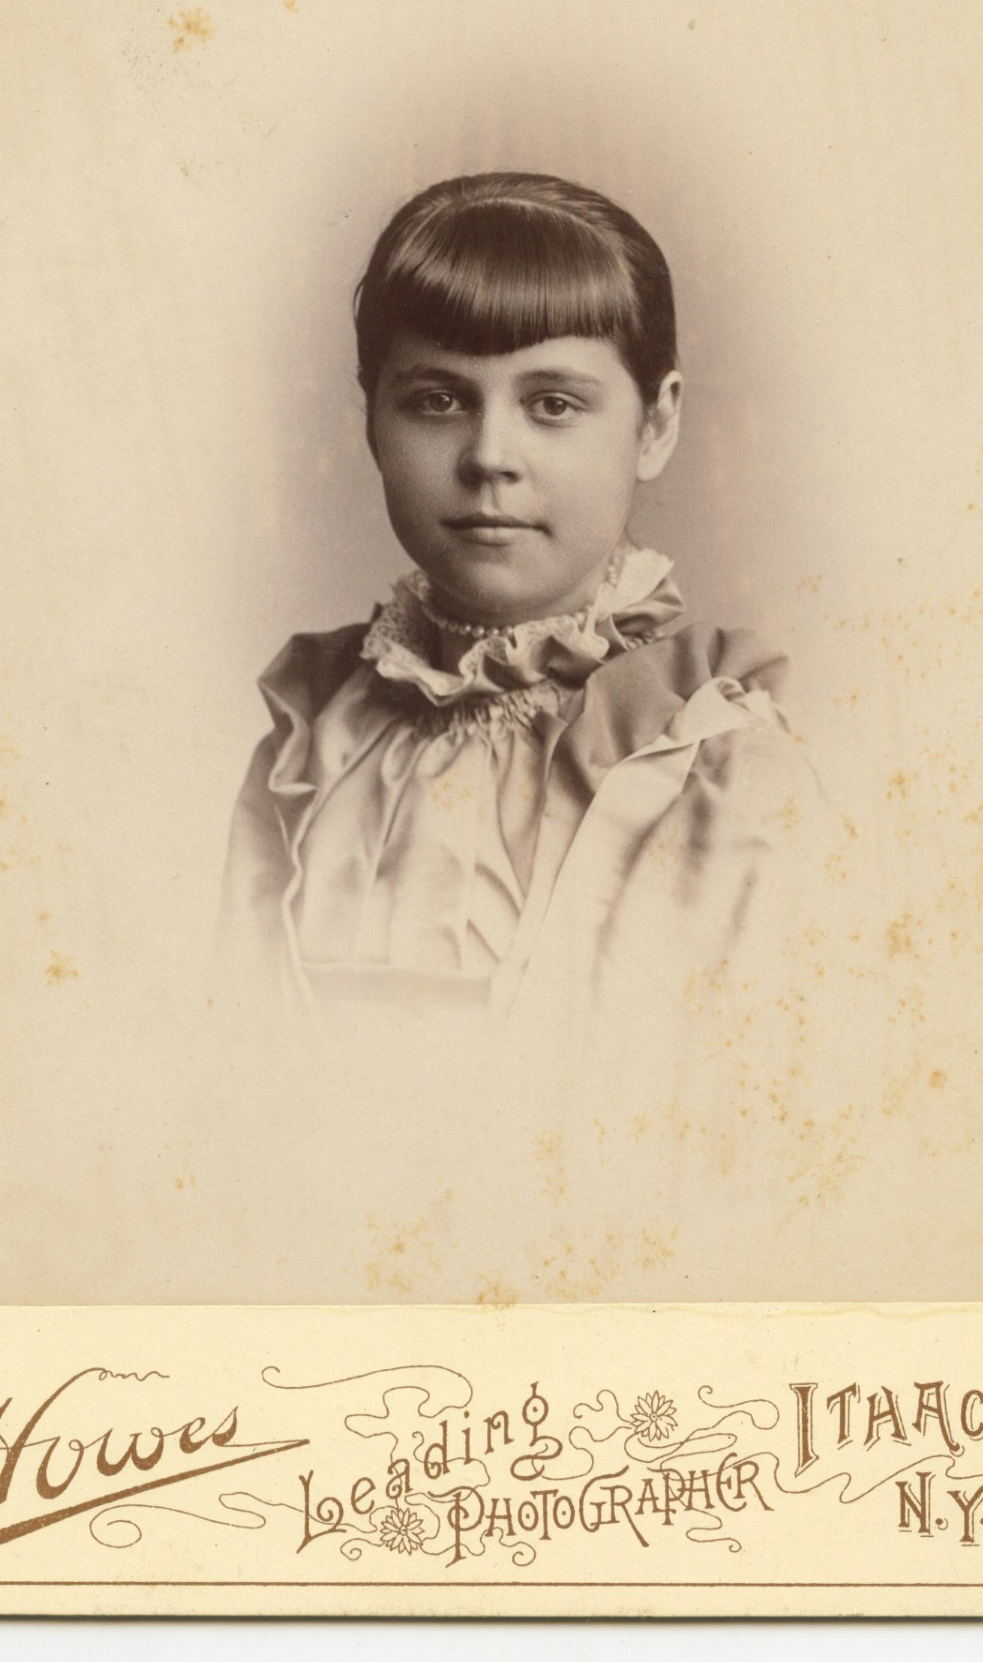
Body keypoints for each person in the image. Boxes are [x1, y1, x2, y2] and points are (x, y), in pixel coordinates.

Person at [220, 172, 822, 1300]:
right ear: (370, 417)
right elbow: (233, 1092)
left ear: (656, 423)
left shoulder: (718, 748)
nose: (489, 454)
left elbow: (759, 1144)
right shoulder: (312, 733)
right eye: (437, 399)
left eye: (551, 403)